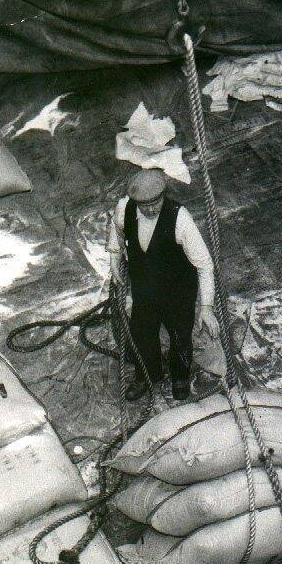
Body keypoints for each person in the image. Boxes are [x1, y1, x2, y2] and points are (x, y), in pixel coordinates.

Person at [107, 168, 219, 401]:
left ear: (164, 195)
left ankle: (180, 376)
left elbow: (205, 264)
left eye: (155, 202)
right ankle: (148, 375)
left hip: (177, 292)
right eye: (143, 204)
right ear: (134, 201)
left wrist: (206, 307)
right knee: (142, 333)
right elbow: (117, 235)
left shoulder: (180, 218)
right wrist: (114, 259)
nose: (150, 209)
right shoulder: (123, 209)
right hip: (144, 290)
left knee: (180, 337)